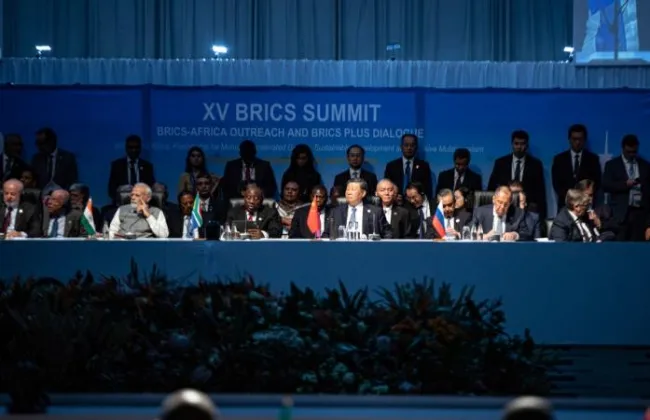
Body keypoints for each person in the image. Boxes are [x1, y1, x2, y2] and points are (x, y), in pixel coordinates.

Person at [324, 178, 391, 239]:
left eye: (353, 189)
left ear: (363, 193)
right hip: (341, 247)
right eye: (347, 189)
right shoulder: (335, 212)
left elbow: (388, 234)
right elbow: (326, 234)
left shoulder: (376, 212)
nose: (349, 192)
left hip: (367, 247)